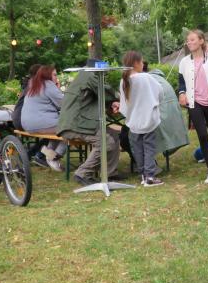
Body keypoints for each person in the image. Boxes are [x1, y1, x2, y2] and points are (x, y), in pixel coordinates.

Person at [58, 58, 122, 185]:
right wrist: (120, 99)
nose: (105, 74)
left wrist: (111, 103)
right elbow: (105, 91)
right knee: (106, 142)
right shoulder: (88, 75)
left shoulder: (83, 76)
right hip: (74, 125)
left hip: (78, 123)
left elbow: (97, 97)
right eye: (104, 72)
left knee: (114, 135)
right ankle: (82, 173)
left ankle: (110, 173)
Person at [177, 29, 208, 184]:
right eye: (188, 40)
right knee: (202, 135)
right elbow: (181, 83)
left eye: (192, 39)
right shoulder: (184, 62)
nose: (189, 42)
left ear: (201, 41)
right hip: (194, 103)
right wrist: (182, 93)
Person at [119, 51, 163, 187]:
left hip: (134, 121)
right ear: (136, 63)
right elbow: (160, 93)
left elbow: (123, 105)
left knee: (137, 148)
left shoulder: (124, 81)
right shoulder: (146, 77)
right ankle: (150, 176)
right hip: (148, 118)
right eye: (142, 61)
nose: (143, 64)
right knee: (149, 148)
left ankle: (143, 175)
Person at [20, 65, 66, 171]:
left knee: (60, 131)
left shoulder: (34, 84)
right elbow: (64, 104)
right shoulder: (48, 85)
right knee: (71, 129)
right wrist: (58, 89)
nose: (57, 77)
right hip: (41, 122)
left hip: (27, 124)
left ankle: (48, 153)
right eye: (55, 75)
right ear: (47, 75)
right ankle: (54, 157)